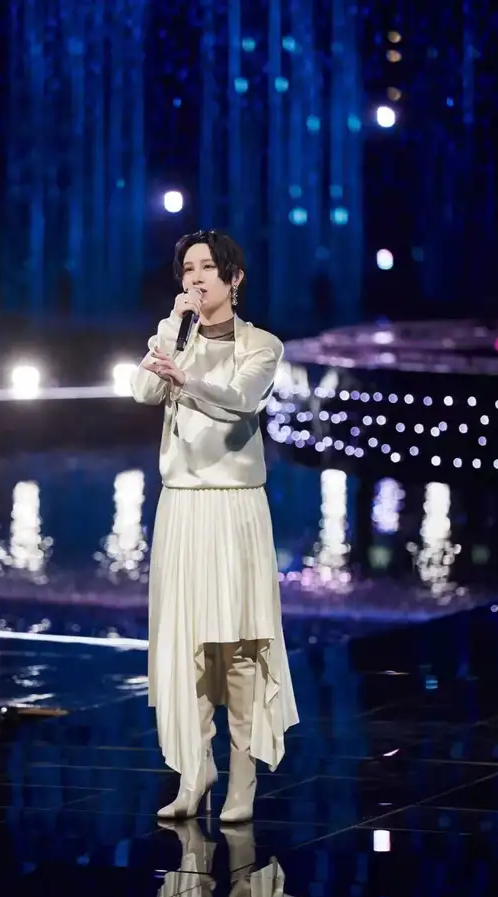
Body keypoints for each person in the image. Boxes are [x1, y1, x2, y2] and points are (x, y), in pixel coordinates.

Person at [131, 229, 299, 822]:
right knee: (189, 644)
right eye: (187, 269)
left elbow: (240, 401)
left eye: (207, 268)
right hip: (182, 505)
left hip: (234, 506)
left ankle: (243, 780)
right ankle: (194, 770)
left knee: (239, 646)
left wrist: (187, 380)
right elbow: (142, 390)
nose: (196, 278)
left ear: (234, 278)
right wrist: (171, 333)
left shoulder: (262, 345)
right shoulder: (173, 335)